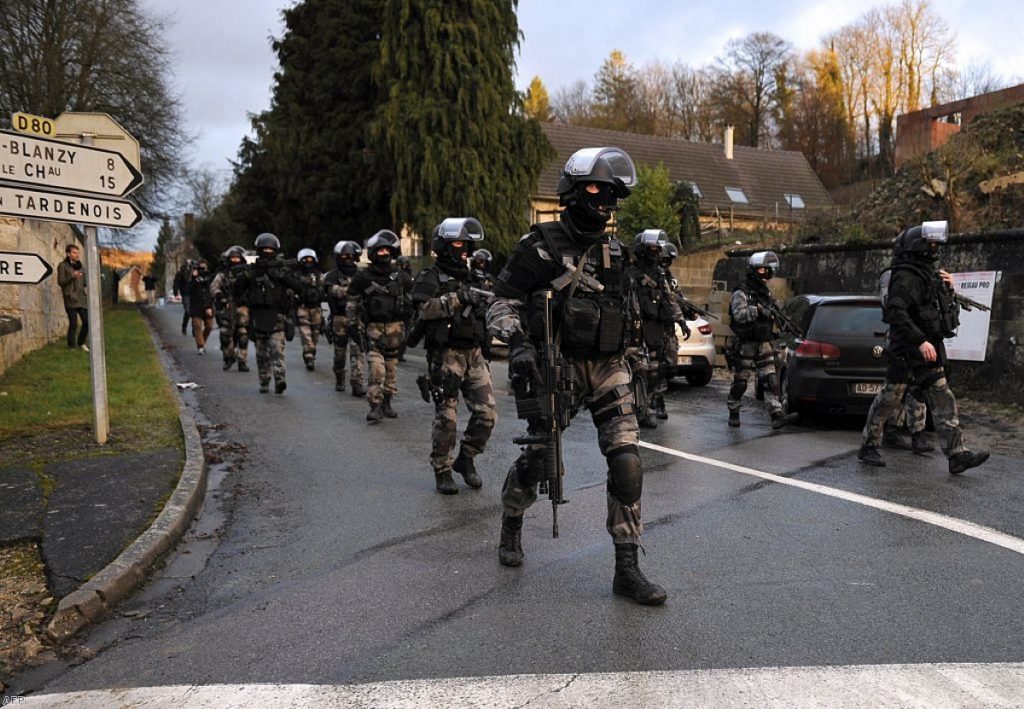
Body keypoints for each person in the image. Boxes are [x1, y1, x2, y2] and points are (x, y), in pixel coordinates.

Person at [486, 146, 667, 606]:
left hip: (607, 367)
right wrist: (521, 343)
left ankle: (626, 568)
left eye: (611, 192)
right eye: (594, 188)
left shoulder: (616, 251)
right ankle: (511, 519)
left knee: (627, 464)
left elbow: (625, 311)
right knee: (539, 462)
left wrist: (637, 354)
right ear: (571, 191)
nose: (604, 199)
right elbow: (499, 302)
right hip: (557, 364)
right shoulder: (539, 246)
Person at [858, 221, 989, 474]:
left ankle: (956, 454)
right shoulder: (906, 277)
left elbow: (937, 310)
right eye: (930, 244)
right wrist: (919, 341)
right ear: (918, 247)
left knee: (944, 400)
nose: (935, 249)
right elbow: (895, 313)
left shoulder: (928, 275)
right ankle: (868, 445)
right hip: (907, 353)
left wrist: (949, 288)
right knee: (889, 400)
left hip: (929, 353)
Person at [410, 217, 496, 494]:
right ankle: (442, 469)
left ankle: (466, 458)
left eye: (467, 244)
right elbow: (423, 310)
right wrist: (459, 298)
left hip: (473, 353)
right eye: (458, 243)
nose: (464, 250)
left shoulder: (473, 277)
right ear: (444, 246)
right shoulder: (429, 277)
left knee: (487, 414)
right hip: (445, 355)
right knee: (447, 417)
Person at [726, 251, 799, 430]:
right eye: (762, 270)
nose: (766, 274)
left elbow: (776, 312)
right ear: (754, 270)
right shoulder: (741, 292)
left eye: (768, 270)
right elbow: (738, 315)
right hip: (746, 343)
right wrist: (757, 310)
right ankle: (733, 410)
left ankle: (776, 415)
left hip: (764, 342)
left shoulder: (765, 292)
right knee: (741, 382)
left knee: (771, 379)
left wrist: (783, 322)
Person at [348, 230, 413, 422]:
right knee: (377, 369)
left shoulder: (401, 277)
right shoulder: (363, 277)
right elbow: (352, 301)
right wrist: (352, 324)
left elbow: (414, 298)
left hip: (396, 330)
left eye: (387, 251)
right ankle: (375, 405)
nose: (384, 254)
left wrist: (411, 322)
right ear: (373, 253)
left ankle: (387, 403)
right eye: (380, 251)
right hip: (373, 331)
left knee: (391, 370)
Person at [629, 230, 688, 428]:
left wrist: (680, 320)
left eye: (658, 248)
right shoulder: (630, 272)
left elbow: (669, 298)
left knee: (655, 371)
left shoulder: (659, 273)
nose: (657, 252)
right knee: (637, 371)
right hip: (634, 328)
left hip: (655, 327)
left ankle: (646, 409)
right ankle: (635, 409)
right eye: (653, 248)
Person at [233, 233, 302, 394]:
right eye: (264, 249)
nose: (267, 252)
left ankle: (280, 378)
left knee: (277, 349)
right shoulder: (252, 270)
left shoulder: (281, 269)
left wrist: (282, 276)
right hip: (258, 317)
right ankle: (264, 380)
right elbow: (237, 291)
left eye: (270, 249)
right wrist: (248, 275)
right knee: (261, 353)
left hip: (277, 316)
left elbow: (299, 287)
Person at [324, 241, 367, 396]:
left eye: (350, 255)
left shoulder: (361, 274)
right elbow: (333, 291)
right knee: (340, 353)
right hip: (339, 319)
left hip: (357, 319)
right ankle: (340, 377)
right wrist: (353, 290)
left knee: (358, 350)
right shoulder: (333, 275)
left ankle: (357, 383)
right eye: (344, 255)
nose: (348, 258)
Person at [210, 246, 250, 372]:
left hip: (242, 308)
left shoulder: (246, 274)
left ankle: (242, 361)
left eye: (237, 258)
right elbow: (213, 287)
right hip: (227, 307)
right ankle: (228, 358)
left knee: (243, 335)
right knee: (225, 336)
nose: (235, 260)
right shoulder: (223, 275)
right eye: (232, 258)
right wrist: (220, 296)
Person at [295, 248, 326, 371]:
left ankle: (310, 352)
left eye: (310, 260)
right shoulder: (297, 276)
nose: (308, 262)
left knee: (315, 335)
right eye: (305, 260)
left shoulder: (319, 276)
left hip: (317, 309)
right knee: (306, 334)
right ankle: (309, 357)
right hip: (302, 308)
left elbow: (325, 289)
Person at [57, 243, 89, 351]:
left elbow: (84, 283)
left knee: (86, 322)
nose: (77, 255)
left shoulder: (81, 267)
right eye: (74, 252)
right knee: (74, 323)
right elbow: (61, 282)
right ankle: (71, 346)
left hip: (81, 299)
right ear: (68, 253)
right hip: (70, 299)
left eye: (78, 253)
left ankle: (81, 342)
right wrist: (72, 276)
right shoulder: (63, 265)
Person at [186, 260, 215, 354]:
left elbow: (212, 291)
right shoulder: (193, 279)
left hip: (208, 305)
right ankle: (201, 346)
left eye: (204, 267)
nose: (203, 269)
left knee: (209, 326)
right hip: (196, 306)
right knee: (197, 326)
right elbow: (189, 290)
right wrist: (194, 277)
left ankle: (202, 342)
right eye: (201, 267)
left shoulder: (210, 278)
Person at [396, 255, 414, 362]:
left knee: (405, 332)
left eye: (407, 264)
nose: (406, 266)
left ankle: (400, 353)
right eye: (404, 264)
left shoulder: (409, 275)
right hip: (399, 306)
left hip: (407, 306)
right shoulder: (397, 275)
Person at [172, 260, 193, 336]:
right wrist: (176, 292)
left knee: (194, 311)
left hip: (194, 293)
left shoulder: (194, 272)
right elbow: (176, 283)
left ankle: (195, 328)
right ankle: (184, 326)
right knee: (188, 311)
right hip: (185, 293)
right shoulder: (180, 273)